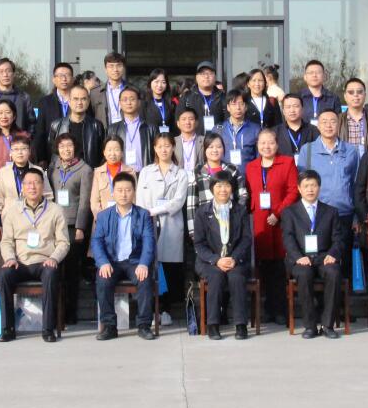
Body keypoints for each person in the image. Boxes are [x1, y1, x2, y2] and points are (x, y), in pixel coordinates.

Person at [0, 168, 69, 342]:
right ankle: (7, 329)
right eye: (28, 183)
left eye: (36, 183)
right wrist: (10, 258)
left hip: (45, 261)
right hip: (20, 262)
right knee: (4, 275)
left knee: (51, 274)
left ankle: (48, 329)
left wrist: (54, 258)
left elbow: (63, 242)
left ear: (43, 186)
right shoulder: (13, 211)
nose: (32, 187)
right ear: (22, 187)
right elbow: (6, 241)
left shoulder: (56, 210)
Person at [91, 172, 158, 340]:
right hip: (111, 262)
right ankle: (109, 327)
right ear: (113, 192)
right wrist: (103, 262)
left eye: (128, 190)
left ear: (134, 192)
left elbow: (149, 241)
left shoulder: (143, 214)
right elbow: (97, 241)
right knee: (103, 280)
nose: (123, 194)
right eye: (119, 190)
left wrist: (144, 263)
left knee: (145, 280)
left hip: (135, 261)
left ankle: (144, 325)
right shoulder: (103, 215)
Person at [294, 109, 360, 278]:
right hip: (317, 215)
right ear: (318, 125)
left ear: (339, 125)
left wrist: (356, 217)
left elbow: (355, 184)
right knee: (317, 260)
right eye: (324, 122)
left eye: (333, 121)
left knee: (342, 260)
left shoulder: (351, 151)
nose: (328, 126)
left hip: (344, 213)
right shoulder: (308, 150)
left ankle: (344, 294)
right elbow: (302, 183)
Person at [136, 132, 191, 326]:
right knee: (152, 266)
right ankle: (153, 310)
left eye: (167, 146)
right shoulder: (146, 172)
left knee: (169, 268)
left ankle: (166, 309)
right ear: (154, 149)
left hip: (171, 225)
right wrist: (146, 215)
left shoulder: (181, 173)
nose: (164, 150)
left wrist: (155, 210)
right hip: (149, 223)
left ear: (173, 147)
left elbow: (178, 201)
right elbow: (140, 200)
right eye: (160, 146)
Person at [281, 169, 343, 339]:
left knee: (334, 272)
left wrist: (333, 254)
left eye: (313, 185)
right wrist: (297, 257)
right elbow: (288, 238)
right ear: (299, 189)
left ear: (319, 188)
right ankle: (310, 326)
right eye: (306, 186)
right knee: (304, 274)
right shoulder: (289, 212)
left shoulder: (331, 211)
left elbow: (338, 238)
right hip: (301, 259)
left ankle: (328, 325)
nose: (310, 189)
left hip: (324, 257)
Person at [246, 128, 299, 325]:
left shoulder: (287, 162)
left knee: (279, 267)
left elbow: (293, 192)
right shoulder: (251, 166)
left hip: (281, 221)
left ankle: (280, 310)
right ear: (257, 145)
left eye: (270, 142)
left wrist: (278, 213)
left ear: (277, 145)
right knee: (264, 266)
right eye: (262, 143)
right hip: (260, 221)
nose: (266, 146)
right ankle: (267, 309)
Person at [192, 171, 253, 340]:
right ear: (212, 188)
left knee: (236, 277)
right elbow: (199, 243)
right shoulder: (202, 212)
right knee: (216, 276)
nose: (223, 190)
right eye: (219, 186)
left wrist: (234, 258)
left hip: (235, 260)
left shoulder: (240, 210)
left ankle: (241, 325)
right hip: (209, 261)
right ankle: (213, 324)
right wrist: (216, 260)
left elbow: (246, 239)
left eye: (226, 185)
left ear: (232, 188)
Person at [48, 132, 93, 324]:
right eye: (62, 146)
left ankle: (70, 313)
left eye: (69, 146)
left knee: (72, 271)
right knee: (56, 269)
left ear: (75, 148)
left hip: (74, 225)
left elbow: (84, 201)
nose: (66, 149)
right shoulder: (53, 168)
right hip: (54, 225)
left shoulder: (85, 169)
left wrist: (81, 226)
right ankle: (56, 312)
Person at [186, 133, 248, 238]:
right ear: (205, 150)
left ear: (223, 149)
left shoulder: (232, 169)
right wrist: (193, 232)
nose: (215, 150)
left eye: (219, 147)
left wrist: (237, 216)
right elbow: (191, 204)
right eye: (210, 147)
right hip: (206, 223)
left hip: (231, 221)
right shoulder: (197, 172)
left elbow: (242, 195)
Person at [0, 132, 53, 220]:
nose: (20, 152)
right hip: (9, 218)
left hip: (35, 218)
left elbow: (48, 196)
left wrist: (45, 216)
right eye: (16, 149)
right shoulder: (3, 172)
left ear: (29, 151)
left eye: (24, 149)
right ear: (10, 152)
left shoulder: (38, 171)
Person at [48, 83, 105, 169]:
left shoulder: (97, 126)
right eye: (75, 99)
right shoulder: (56, 125)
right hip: (64, 173)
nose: (79, 102)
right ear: (69, 101)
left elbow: (102, 154)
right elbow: (52, 153)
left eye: (83, 99)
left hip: (90, 172)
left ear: (88, 101)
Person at [106, 85, 158, 171]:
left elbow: (157, 154)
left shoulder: (150, 128)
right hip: (121, 174)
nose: (128, 103)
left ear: (139, 102)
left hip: (144, 173)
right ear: (120, 103)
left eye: (132, 99)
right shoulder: (113, 128)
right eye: (125, 100)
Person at [34, 62, 76, 165]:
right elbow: (40, 131)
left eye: (67, 75)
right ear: (54, 79)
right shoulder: (45, 102)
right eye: (60, 75)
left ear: (73, 79)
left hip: (76, 155)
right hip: (52, 156)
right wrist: (42, 158)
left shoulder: (79, 100)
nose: (64, 79)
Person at [90, 137, 135, 220]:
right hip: (103, 220)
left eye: (116, 150)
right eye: (109, 150)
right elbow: (94, 202)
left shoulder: (130, 172)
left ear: (122, 152)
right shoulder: (98, 173)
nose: (113, 154)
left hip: (126, 219)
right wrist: (103, 220)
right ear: (104, 152)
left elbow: (134, 199)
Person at [179, 60, 226, 134]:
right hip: (194, 139)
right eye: (202, 74)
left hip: (217, 139)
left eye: (210, 73)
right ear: (196, 77)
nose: (206, 76)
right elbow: (179, 120)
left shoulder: (223, 97)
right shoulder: (187, 97)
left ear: (215, 77)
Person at [218, 91, 261, 171]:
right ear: (228, 107)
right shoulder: (219, 130)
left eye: (241, 104)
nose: (238, 107)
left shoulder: (255, 129)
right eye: (234, 104)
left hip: (248, 174)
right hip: (225, 175)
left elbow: (259, 157)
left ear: (246, 107)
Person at [340, 77, 368, 154]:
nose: (355, 95)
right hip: (344, 161)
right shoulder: (337, 120)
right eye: (351, 92)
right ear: (345, 96)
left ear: (365, 95)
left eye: (359, 92)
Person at [90, 51, 130, 128]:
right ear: (105, 69)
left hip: (126, 131)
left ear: (124, 68)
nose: (115, 69)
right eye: (111, 66)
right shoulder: (95, 93)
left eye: (119, 65)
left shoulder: (132, 90)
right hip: (104, 132)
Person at [298, 59, 342, 127]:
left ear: (324, 76)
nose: (314, 75)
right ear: (305, 77)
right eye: (311, 73)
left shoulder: (333, 98)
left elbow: (338, 122)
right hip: (303, 133)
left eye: (318, 72)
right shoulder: (298, 97)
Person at [143, 68, 177, 134]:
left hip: (168, 139)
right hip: (151, 139)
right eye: (156, 81)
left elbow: (174, 127)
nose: (160, 85)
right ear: (150, 83)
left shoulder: (171, 103)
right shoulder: (144, 103)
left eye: (163, 82)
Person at [174, 107, 203, 171]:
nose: (187, 122)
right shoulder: (172, 142)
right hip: (178, 176)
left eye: (191, 119)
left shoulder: (204, 141)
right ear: (178, 123)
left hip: (199, 176)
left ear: (196, 122)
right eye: (183, 119)